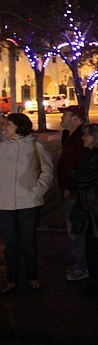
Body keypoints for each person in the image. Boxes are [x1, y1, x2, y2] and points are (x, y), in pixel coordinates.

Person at [0, 114, 53, 294]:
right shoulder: (1, 147)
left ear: (19, 126)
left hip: (28, 203)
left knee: (28, 242)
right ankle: (12, 279)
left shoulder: (35, 147)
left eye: (8, 124)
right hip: (4, 204)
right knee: (10, 243)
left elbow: (47, 172)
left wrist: (36, 191)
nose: (4, 126)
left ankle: (32, 277)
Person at [68, 123, 98, 297]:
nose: (83, 138)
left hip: (94, 209)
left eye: (86, 135)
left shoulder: (96, 157)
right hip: (97, 208)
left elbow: (80, 178)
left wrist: (74, 175)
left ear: (95, 137)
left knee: (96, 251)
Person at [56, 105, 90, 282]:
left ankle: (82, 266)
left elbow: (79, 166)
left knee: (76, 229)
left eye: (66, 115)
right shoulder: (68, 136)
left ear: (76, 119)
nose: (62, 118)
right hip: (68, 189)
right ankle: (80, 263)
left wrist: (70, 186)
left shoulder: (81, 138)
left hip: (75, 191)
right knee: (74, 229)